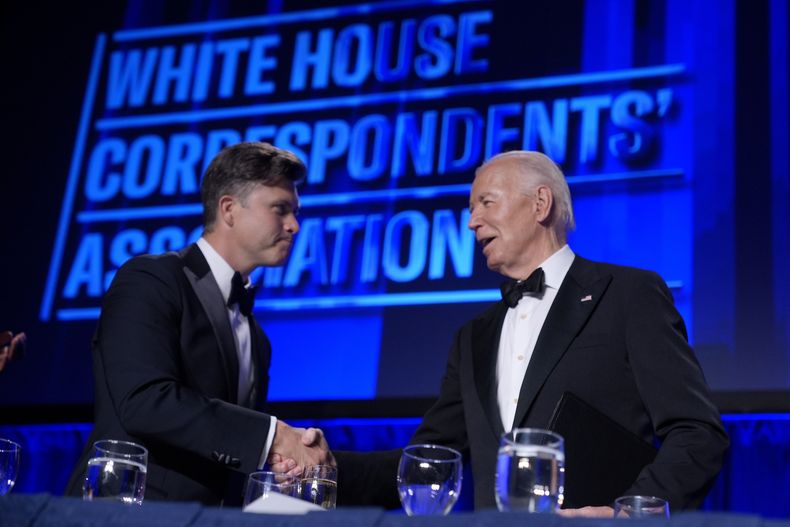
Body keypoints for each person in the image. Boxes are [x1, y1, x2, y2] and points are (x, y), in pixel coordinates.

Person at [326, 151, 729, 514]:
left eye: (485, 203)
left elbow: (696, 432)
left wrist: (628, 514)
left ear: (540, 204)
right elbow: (429, 462)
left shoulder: (627, 295)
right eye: (470, 209)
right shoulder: (472, 338)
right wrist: (324, 468)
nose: (471, 222)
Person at [65, 142, 332, 505]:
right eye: (280, 210)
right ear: (229, 209)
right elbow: (144, 400)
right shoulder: (150, 278)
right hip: (125, 512)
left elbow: (225, 445)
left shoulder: (257, 337)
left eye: (295, 212)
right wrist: (271, 438)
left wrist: (277, 463)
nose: (294, 226)